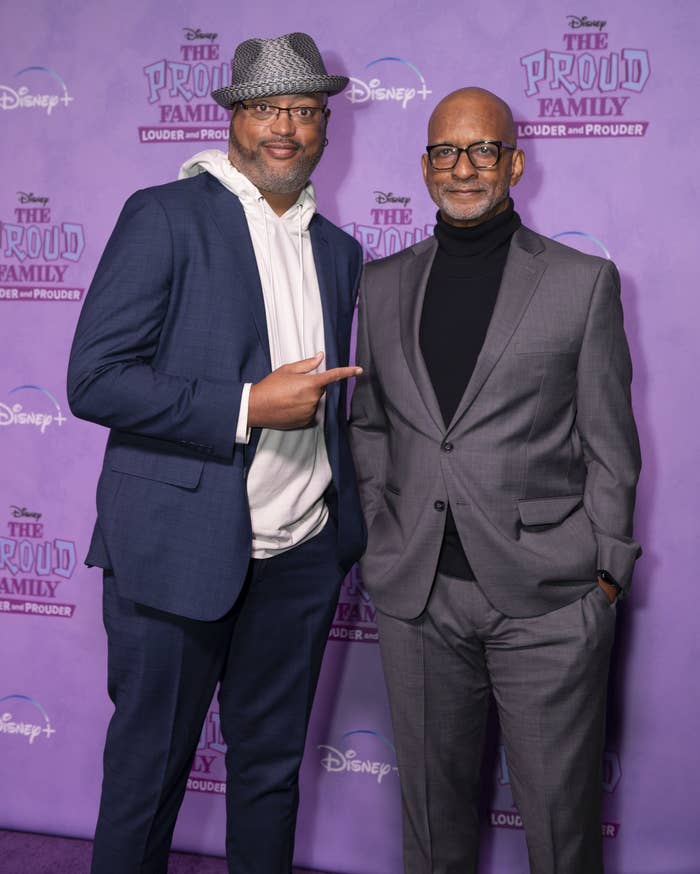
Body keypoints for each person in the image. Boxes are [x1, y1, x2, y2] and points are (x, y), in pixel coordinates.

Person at [67, 32, 365, 874]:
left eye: (306, 111)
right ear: (233, 116)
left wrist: (342, 533)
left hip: (301, 556)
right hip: (173, 552)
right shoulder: (164, 216)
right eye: (269, 107)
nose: (287, 127)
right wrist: (244, 405)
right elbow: (93, 380)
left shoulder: (337, 251)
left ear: (325, 128)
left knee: (269, 776)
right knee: (147, 776)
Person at [349, 87, 641, 874]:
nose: (465, 168)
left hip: (549, 599)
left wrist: (606, 571)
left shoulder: (582, 283)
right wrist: (382, 539)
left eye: (483, 150)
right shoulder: (380, 287)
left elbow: (611, 440)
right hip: (417, 598)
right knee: (432, 834)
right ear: (424, 167)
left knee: (559, 833)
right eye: (447, 151)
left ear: (515, 160)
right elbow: (368, 423)